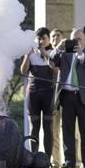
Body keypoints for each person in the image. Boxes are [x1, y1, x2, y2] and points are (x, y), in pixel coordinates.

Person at [50, 28, 85, 168]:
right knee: (67, 131)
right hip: (66, 96)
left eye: (79, 39)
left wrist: (80, 55)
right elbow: (51, 63)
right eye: (73, 39)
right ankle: (69, 162)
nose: (76, 42)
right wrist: (58, 49)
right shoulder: (64, 55)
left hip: (83, 96)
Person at [20, 27, 54, 158]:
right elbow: (23, 72)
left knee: (47, 126)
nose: (41, 41)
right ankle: (33, 156)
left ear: (48, 39)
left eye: (43, 38)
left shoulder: (53, 52)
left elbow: (54, 67)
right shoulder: (31, 54)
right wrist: (27, 55)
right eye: (39, 38)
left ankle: (47, 158)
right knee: (34, 126)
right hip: (33, 93)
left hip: (49, 93)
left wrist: (43, 52)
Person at [49, 29, 64, 167]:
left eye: (58, 35)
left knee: (74, 132)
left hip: (65, 98)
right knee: (54, 133)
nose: (55, 38)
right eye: (53, 36)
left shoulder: (66, 53)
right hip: (52, 100)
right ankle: (56, 162)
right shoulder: (50, 55)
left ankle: (77, 161)